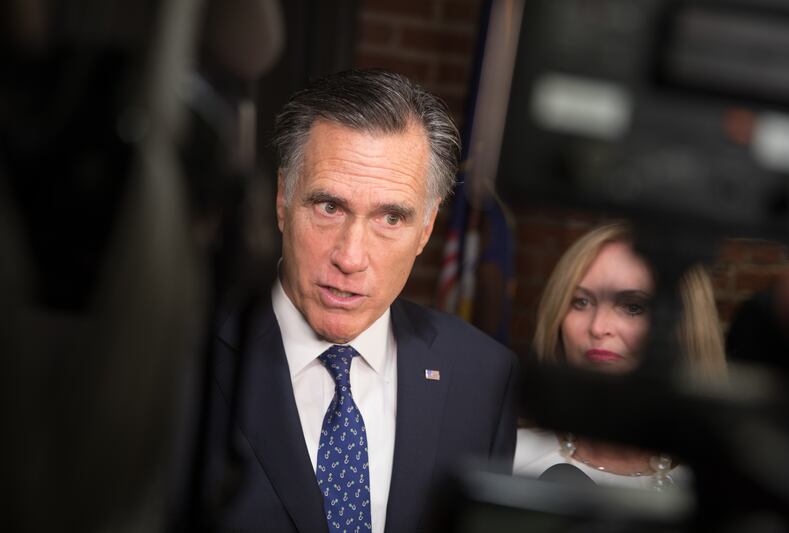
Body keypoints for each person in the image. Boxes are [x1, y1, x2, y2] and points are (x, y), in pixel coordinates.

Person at [203, 69, 519, 533]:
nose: (350, 257)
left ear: (427, 228)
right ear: (281, 199)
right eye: (329, 207)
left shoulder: (484, 377)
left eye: (391, 217)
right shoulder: (183, 354)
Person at [514, 222, 726, 489]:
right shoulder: (510, 454)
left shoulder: (715, 487)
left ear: (684, 327)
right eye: (580, 301)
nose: (598, 327)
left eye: (633, 307)